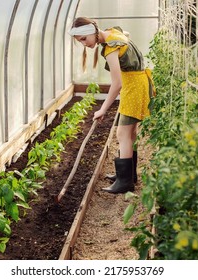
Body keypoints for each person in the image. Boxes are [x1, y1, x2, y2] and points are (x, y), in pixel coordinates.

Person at [68, 17, 154, 194]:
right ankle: (129, 175)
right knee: (130, 132)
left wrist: (102, 109)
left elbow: (117, 83)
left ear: (92, 32)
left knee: (122, 133)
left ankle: (125, 183)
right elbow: (125, 36)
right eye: (80, 42)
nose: (84, 44)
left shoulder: (110, 47)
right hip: (138, 83)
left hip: (134, 87)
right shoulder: (113, 33)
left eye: (84, 39)